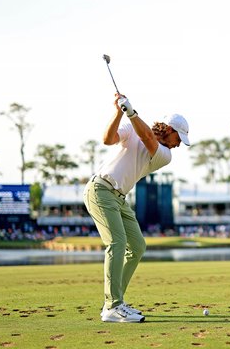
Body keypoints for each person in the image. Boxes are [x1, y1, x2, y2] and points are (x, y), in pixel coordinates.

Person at [83, 93, 190, 323]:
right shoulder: (132, 129)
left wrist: (131, 112)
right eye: (178, 138)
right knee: (117, 242)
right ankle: (113, 306)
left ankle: (114, 301)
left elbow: (149, 138)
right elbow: (108, 139)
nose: (179, 144)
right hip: (100, 189)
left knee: (137, 246)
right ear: (169, 130)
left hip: (119, 198)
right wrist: (118, 112)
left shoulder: (165, 155)